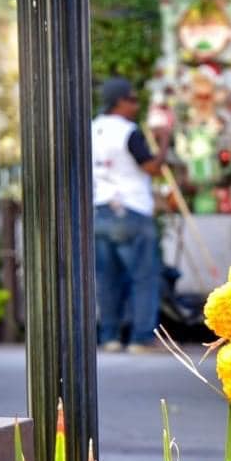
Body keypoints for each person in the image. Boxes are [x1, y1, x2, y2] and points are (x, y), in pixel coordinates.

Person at [91, 76, 170, 353]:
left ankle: (109, 336)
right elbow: (151, 168)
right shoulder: (129, 131)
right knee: (143, 277)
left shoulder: (91, 129)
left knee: (107, 278)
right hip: (132, 209)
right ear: (120, 101)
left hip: (100, 209)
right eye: (133, 100)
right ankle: (140, 337)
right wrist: (163, 143)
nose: (136, 105)